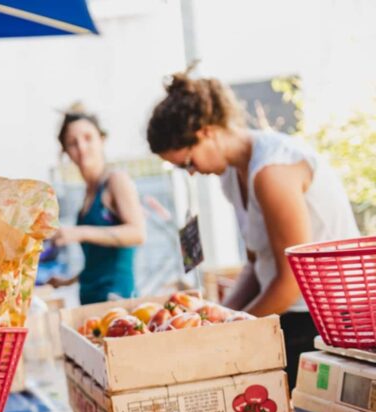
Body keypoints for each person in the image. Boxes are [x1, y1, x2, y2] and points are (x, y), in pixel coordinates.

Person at [146, 72, 360, 387]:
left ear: (206, 133)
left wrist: (232, 329)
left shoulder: (272, 171)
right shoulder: (232, 176)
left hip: (329, 323)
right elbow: (256, 264)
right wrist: (213, 317)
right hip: (291, 316)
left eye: (188, 163)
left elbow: (291, 282)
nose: (191, 174)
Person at [49, 108, 146, 304]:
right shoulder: (87, 193)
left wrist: (79, 232)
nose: (82, 147)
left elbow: (137, 233)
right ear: (66, 151)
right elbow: (98, 261)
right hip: (89, 298)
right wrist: (69, 281)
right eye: (73, 143)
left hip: (116, 298)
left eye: (88, 138)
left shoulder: (117, 181)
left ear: (102, 140)